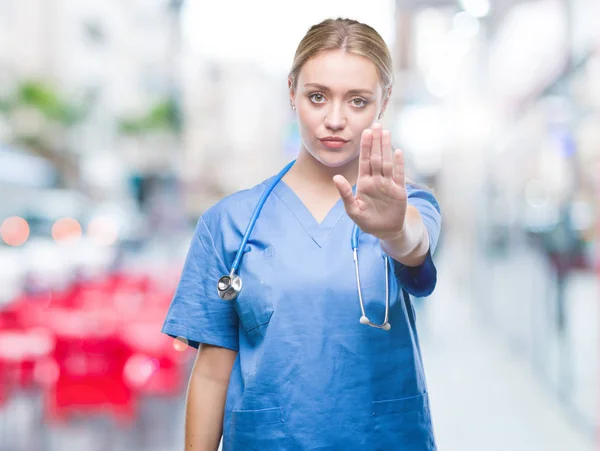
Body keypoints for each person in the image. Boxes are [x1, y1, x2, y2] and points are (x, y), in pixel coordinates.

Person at [161, 17, 441, 451]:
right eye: (317, 97)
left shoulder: (408, 206)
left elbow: (414, 247)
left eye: (358, 101)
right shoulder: (229, 222)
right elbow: (213, 371)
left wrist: (395, 230)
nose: (334, 119)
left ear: (383, 102)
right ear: (291, 92)